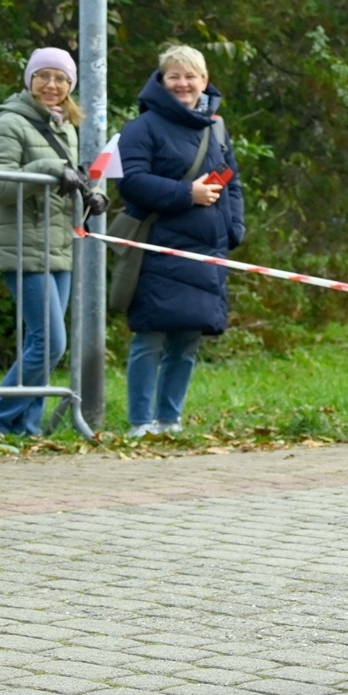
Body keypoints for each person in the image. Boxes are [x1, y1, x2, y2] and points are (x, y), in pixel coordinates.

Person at [116, 44, 245, 436]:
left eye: (191, 76)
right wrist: (186, 193)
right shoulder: (142, 128)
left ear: (204, 81)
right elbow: (131, 182)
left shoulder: (216, 128)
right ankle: (140, 423)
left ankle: (169, 421)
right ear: (162, 80)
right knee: (150, 337)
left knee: (188, 339)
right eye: (174, 76)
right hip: (157, 247)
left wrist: (234, 229)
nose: (183, 83)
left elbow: (232, 182)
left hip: (206, 250)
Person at [0, 48, 99, 437]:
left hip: (57, 248)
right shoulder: (9, 122)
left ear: (70, 85)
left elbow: (61, 187)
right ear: (29, 80)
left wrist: (89, 196)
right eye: (43, 75)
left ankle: (25, 426)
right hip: (22, 246)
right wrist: (49, 169)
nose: (51, 84)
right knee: (50, 343)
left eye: (61, 78)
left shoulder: (66, 127)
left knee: (40, 343)